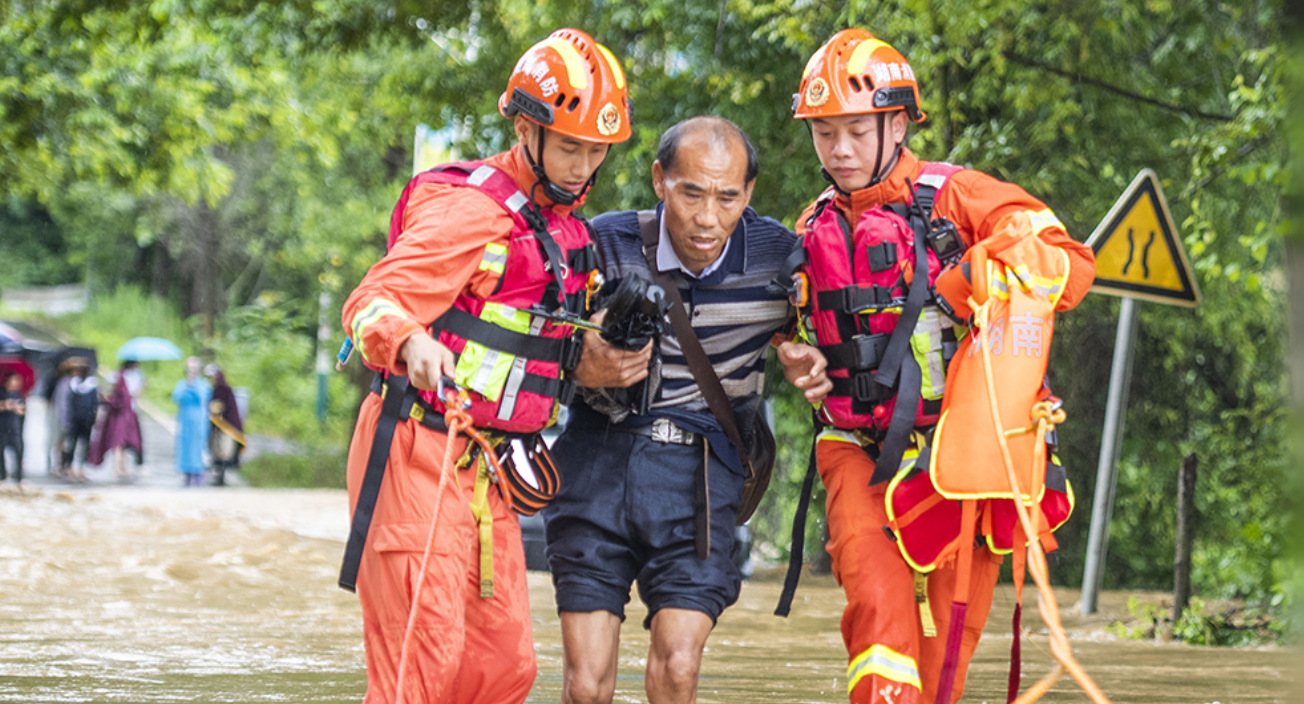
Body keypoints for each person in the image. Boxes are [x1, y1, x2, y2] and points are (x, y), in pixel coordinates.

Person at [786, 29, 1096, 704]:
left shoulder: (957, 197)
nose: (838, 151)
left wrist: (961, 282)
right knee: (881, 633)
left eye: (854, 131)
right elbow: (789, 328)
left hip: (964, 473)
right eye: (823, 133)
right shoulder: (811, 227)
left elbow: (1068, 268)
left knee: (941, 673)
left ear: (897, 123)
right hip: (858, 456)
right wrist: (794, 353)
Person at [338, 28, 634, 704]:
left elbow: (531, 358)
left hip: (490, 470)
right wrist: (409, 341)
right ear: (527, 129)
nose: (583, 166)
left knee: (502, 669)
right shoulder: (471, 210)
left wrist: (607, 366)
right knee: (425, 662)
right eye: (569, 147)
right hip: (416, 454)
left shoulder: (561, 232)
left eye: (596, 151)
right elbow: (370, 300)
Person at [542, 116, 831, 704]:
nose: (707, 217)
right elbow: (536, 339)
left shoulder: (782, 259)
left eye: (727, 197)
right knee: (587, 683)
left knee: (678, 666)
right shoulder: (602, 242)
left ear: (748, 194)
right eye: (691, 192)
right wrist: (579, 359)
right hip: (597, 461)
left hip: (701, 476)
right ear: (659, 180)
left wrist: (810, 356)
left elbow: (828, 331)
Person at [89, 361, 145, 481]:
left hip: (119, 414)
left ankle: (120, 469)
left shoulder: (119, 376)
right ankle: (117, 470)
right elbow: (130, 397)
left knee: (120, 442)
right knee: (120, 442)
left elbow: (110, 393)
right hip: (125, 414)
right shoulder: (131, 377)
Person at [171, 357, 211, 487]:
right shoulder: (182, 384)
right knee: (185, 446)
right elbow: (176, 397)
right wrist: (187, 385)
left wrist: (194, 385)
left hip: (198, 419)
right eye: (190, 368)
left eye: (194, 368)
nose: (192, 370)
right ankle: (186, 473)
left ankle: (198, 472)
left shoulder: (203, 384)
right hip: (185, 419)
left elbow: (204, 397)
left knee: (198, 446)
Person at [206, 366, 244, 486]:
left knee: (224, 450)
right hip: (219, 424)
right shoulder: (217, 389)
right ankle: (219, 477)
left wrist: (214, 412)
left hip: (227, 425)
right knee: (217, 450)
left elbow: (218, 407)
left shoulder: (222, 389)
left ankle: (221, 478)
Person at [62, 363, 98, 483]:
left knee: (76, 444)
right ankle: (75, 468)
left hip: (78, 420)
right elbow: (94, 405)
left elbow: (69, 403)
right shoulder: (87, 386)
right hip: (83, 420)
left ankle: (73, 468)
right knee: (79, 444)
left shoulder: (76, 386)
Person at [0, 372, 26, 486]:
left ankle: (19, 476)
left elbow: (23, 411)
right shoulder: (1, 392)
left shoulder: (18, 394)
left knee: (18, 450)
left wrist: (18, 409)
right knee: (1, 451)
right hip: (2, 426)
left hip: (15, 427)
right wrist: (5, 405)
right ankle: (2, 475)